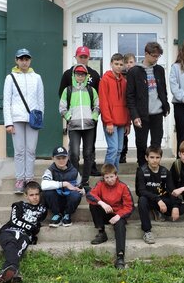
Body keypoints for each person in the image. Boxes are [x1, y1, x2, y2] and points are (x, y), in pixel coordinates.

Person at [3, 48, 44, 194]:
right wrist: (8, 122)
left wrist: (40, 118)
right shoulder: (10, 78)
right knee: (19, 150)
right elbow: (6, 101)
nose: (24, 62)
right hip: (17, 118)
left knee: (31, 150)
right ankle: (20, 179)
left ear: (30, 60)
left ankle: (29, 178)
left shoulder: (37, 77)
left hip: (32, 118)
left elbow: (40, 100)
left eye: (26, 59)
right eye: (21, 59)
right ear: (16, 60)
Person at [58, 46, 101, 176]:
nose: (83, 59)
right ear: (76, 57)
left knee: (89, 149)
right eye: (80, 56)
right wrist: (69, 116)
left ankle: (90, 170)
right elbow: (62, 95)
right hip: (74, 120)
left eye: (85, 57)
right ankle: (74, 175)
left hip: (89, 120)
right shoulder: (67, 74)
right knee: (74, 151)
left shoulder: (94, 75)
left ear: (88, 57)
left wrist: (94, 116)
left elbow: (98, 98)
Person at [0, 181, 47, 283]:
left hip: (25, 236)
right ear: (26, 196)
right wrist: (31, 227)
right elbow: (15, 220)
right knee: (11, 243)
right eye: (31, 195)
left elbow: (36, 227)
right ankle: (12, 272)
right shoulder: (18, 206)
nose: (35, 197)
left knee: (19, 249)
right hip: (9, 231)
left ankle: (5, 273)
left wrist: (32, 229)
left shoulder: (42, 210)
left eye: (37, 194)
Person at [126, 42, 170, 166]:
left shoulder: (159, 70)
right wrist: (134, 115)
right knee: (141, 143)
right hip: (141, 114)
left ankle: (154, 168)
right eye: (154, 56)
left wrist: (165, 105)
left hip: (157, 113)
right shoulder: (134, 71)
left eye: (158, 56)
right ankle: (142, 168)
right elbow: (130, 96)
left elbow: (163, 90)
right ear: (146, 54)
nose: (156, 59)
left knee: (156, 143)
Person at [136, 146, 184, 244]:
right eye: (152, 157)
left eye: (157, 157)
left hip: (162, 199)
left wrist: (175, 206)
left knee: (182, 207)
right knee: (142, 200)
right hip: (149, 199)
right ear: (146, 158)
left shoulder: (165, 172)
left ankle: (157, 210)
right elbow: (141, 191)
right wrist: (158, 199)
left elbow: (171, 190)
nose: (155, 160)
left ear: (160, 158)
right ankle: (147, 231)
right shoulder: (141, 171)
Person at [86, 164, 134, 269]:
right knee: (93, 204)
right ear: (103, 178)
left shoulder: (123, 187)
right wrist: (101, 203)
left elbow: (129, 206)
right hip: (105, 212)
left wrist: (119, 215)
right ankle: (101, 232)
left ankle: (120, 257)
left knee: (120, 225)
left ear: (116, 175)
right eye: (107, 177)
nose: (109, 180)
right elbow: (90, 195)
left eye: (112, 176)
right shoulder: (100, 184)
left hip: (118, 214)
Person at [99, 53, 130, 170]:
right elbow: (104, 102)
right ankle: (107, 175)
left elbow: (127, 103)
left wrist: (128, 123)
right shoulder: (105, 80)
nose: (118, 66)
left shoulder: (124, 82)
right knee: (113, 149)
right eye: (116, 64)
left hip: (122, 121)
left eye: (121, 64)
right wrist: (108, 122)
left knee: (119, 150)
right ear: (111, 64)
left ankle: (114, 174)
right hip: (111, 122)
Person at [41, 146, 84, 227]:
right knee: (48, 192)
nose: (61, 160)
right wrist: (64, 184)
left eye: (64, 158)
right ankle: (57, 214)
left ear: (67, 158)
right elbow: (43, 185)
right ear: (53, 158)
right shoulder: (50, 171)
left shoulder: (74, 172)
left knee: (76, 194)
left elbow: (80, 187)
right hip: (55, 201)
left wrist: (82, 191)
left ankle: (67, 215)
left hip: (68, 201)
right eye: (58, 158)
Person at [120, 53, 136, 164]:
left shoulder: (137, 74)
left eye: (131, 62)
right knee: (123, 133)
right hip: (123, 108)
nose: (128, 65)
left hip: (135, 107)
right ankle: (122, 155)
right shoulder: (121, 77)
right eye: (126, 62)